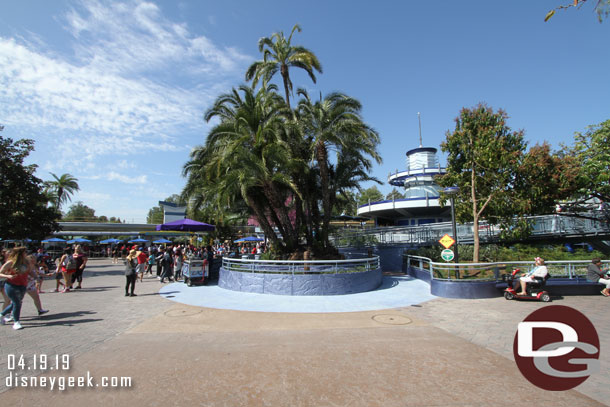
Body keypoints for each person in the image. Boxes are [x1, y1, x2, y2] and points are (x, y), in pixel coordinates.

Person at [0, 247, 36, 330]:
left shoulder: (26, 262)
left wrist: (35, 276)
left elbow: (30, 271)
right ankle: (16, 322)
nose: (26, 254)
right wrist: (8, 276)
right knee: (17, 303)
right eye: (25, 252)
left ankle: (1, 314)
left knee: (16, 303)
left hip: (23, 285)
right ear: (20, 254)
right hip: (11, 285)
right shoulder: (10, 262)